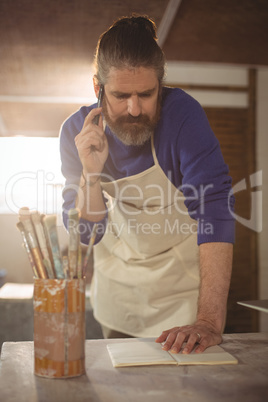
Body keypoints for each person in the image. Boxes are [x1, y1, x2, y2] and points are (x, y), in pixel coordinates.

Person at [60, 15, 235, 354]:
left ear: (161, 84)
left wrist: (209, 321)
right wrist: (92, 175)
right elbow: (87, 236)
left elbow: (215, 209)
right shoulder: (74, 134)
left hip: (180, 294)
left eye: (147, 94)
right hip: (117, 294)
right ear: (98, 88)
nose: (135, 109)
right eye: (121, 95)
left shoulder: (183, 117)